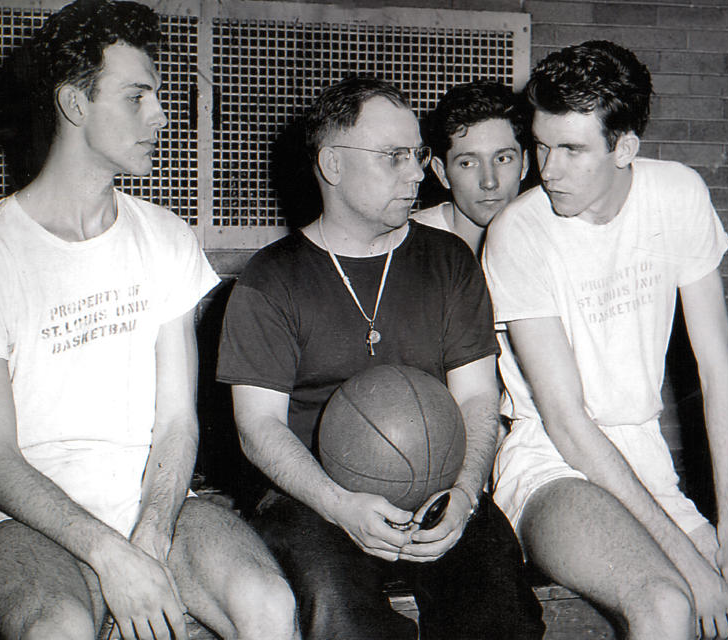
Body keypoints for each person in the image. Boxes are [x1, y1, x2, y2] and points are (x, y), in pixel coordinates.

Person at [0, 2, 299, 638]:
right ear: (75, 105)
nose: (160, 118)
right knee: (56, 631)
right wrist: (111, 556)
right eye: (136, 97)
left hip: (154, 500)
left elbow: (175, 421)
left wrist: (152, 529)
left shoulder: (166, 238)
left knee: (269, 606)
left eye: (157, 97)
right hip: (26, 517)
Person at [217, 75, 545, 640]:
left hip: (440, 485)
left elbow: (476, 395)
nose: (419, 172)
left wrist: (465, 493)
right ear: (333, 165)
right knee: (338, 615)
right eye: (394, 157)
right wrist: (339, 504)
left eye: (416, 155)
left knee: (501, 614)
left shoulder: (448, 262)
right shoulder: (270, 279)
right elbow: (257, 426)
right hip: (312, 497)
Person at [482, 41, 728, 639]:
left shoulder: (677, 195)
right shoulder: (518, 232)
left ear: (624, 148)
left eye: (572, 148)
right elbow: (566, 421)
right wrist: (693, 564)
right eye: (542, 145)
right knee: (667, 601)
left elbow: (720, 373)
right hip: (551, 464)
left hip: (645, 463)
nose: (548, 169)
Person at [413, 79, 530, 255]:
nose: (489, 182)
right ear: (442, 173)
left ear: (524, 164)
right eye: (468, 163)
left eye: (503, 159)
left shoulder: (543, 240)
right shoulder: (412, 246)